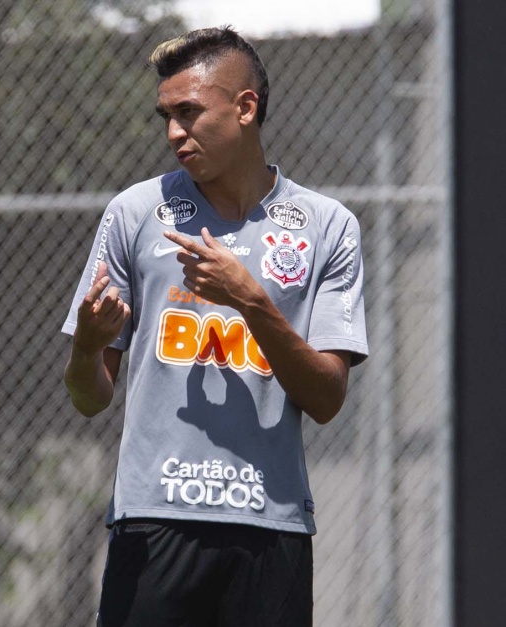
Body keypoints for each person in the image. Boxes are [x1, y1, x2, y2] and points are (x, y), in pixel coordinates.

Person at [62, 26, 367, 626]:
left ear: (245, 107)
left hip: (269, 524)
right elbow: (89, 398)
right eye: (166, 116)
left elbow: (328, 397)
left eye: (190, 112)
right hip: (154, 519)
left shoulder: (327, 226)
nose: (175, 132)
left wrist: (252, 301)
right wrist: (88, 350)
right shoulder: (134, 212)